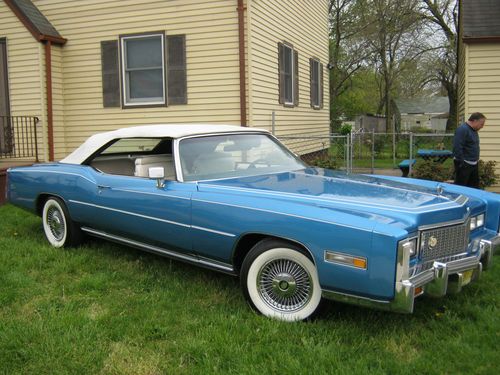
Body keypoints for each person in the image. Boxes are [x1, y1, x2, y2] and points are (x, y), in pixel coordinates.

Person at [453, 112, 486, 188]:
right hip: (464, 164)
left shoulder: (474, 130)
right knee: (461, 188)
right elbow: (457, 147)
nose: (482, 126)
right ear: (474, 121)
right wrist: (461, 163)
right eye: (481, 124)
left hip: (473, 164)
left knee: (473, 188)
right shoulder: (462, 129)